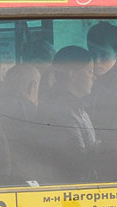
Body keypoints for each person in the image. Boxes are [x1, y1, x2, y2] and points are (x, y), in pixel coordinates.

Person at [37, 45, 97, 181]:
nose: (94, 77)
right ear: (73, 75)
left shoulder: (78, 108)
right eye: (89, 71)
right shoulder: (61, 111)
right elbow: (77, 161)